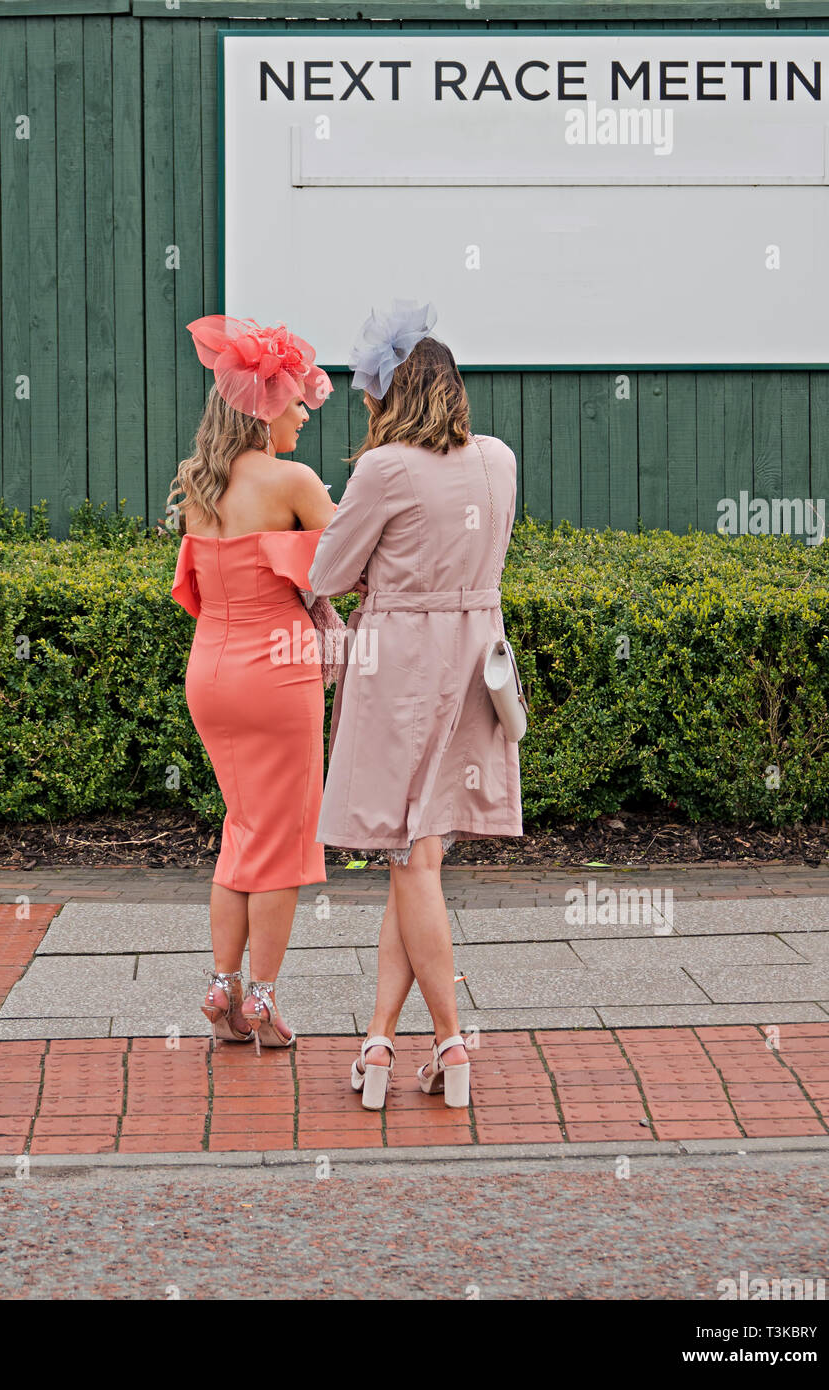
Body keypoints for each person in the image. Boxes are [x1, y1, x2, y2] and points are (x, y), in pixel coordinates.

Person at [307, 301, 522, 1109]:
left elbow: (328, 572)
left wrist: (371, 570)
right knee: (415, 857)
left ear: (391, 396)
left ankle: (450, 1041)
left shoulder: (384, 469)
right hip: (474, 661)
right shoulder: (498, 460)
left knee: (408, 855)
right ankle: (379, 1041)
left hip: (400, 667)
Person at [169, 315, 336, 1051]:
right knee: (286, 839)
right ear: (266, 406)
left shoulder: (201, 486)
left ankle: (222, 985)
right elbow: (353, 564)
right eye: (298, 400)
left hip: (211, 672)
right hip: (277, 672)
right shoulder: (293, 480)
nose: (304, 413)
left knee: (242, 829)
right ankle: (262, 1000)